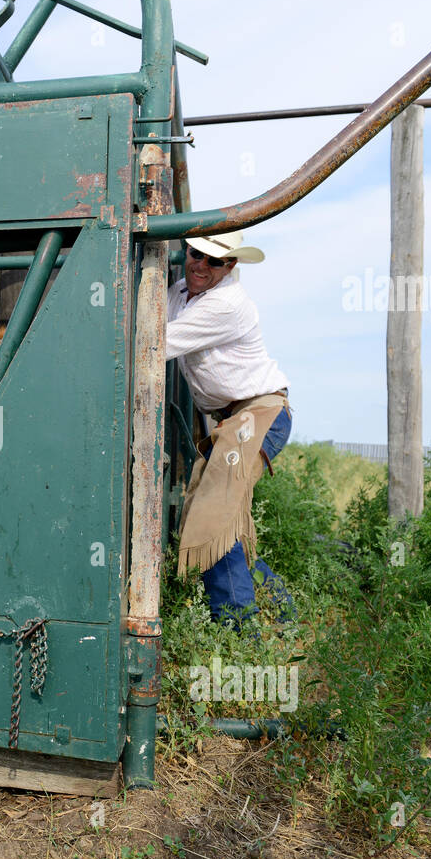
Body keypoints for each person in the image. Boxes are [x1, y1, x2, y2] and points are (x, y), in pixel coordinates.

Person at [166, 230, 295, 630]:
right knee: (221, 520)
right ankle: (283, 614)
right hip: (235, 419)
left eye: (215, 261)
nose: (201, 265)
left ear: (232, 265)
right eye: (195, 254)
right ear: (186, 251)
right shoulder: (179, 291)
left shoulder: (227, 304)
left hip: (259, 412)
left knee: (214, 518)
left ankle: (238, 631)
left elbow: (155, 342)